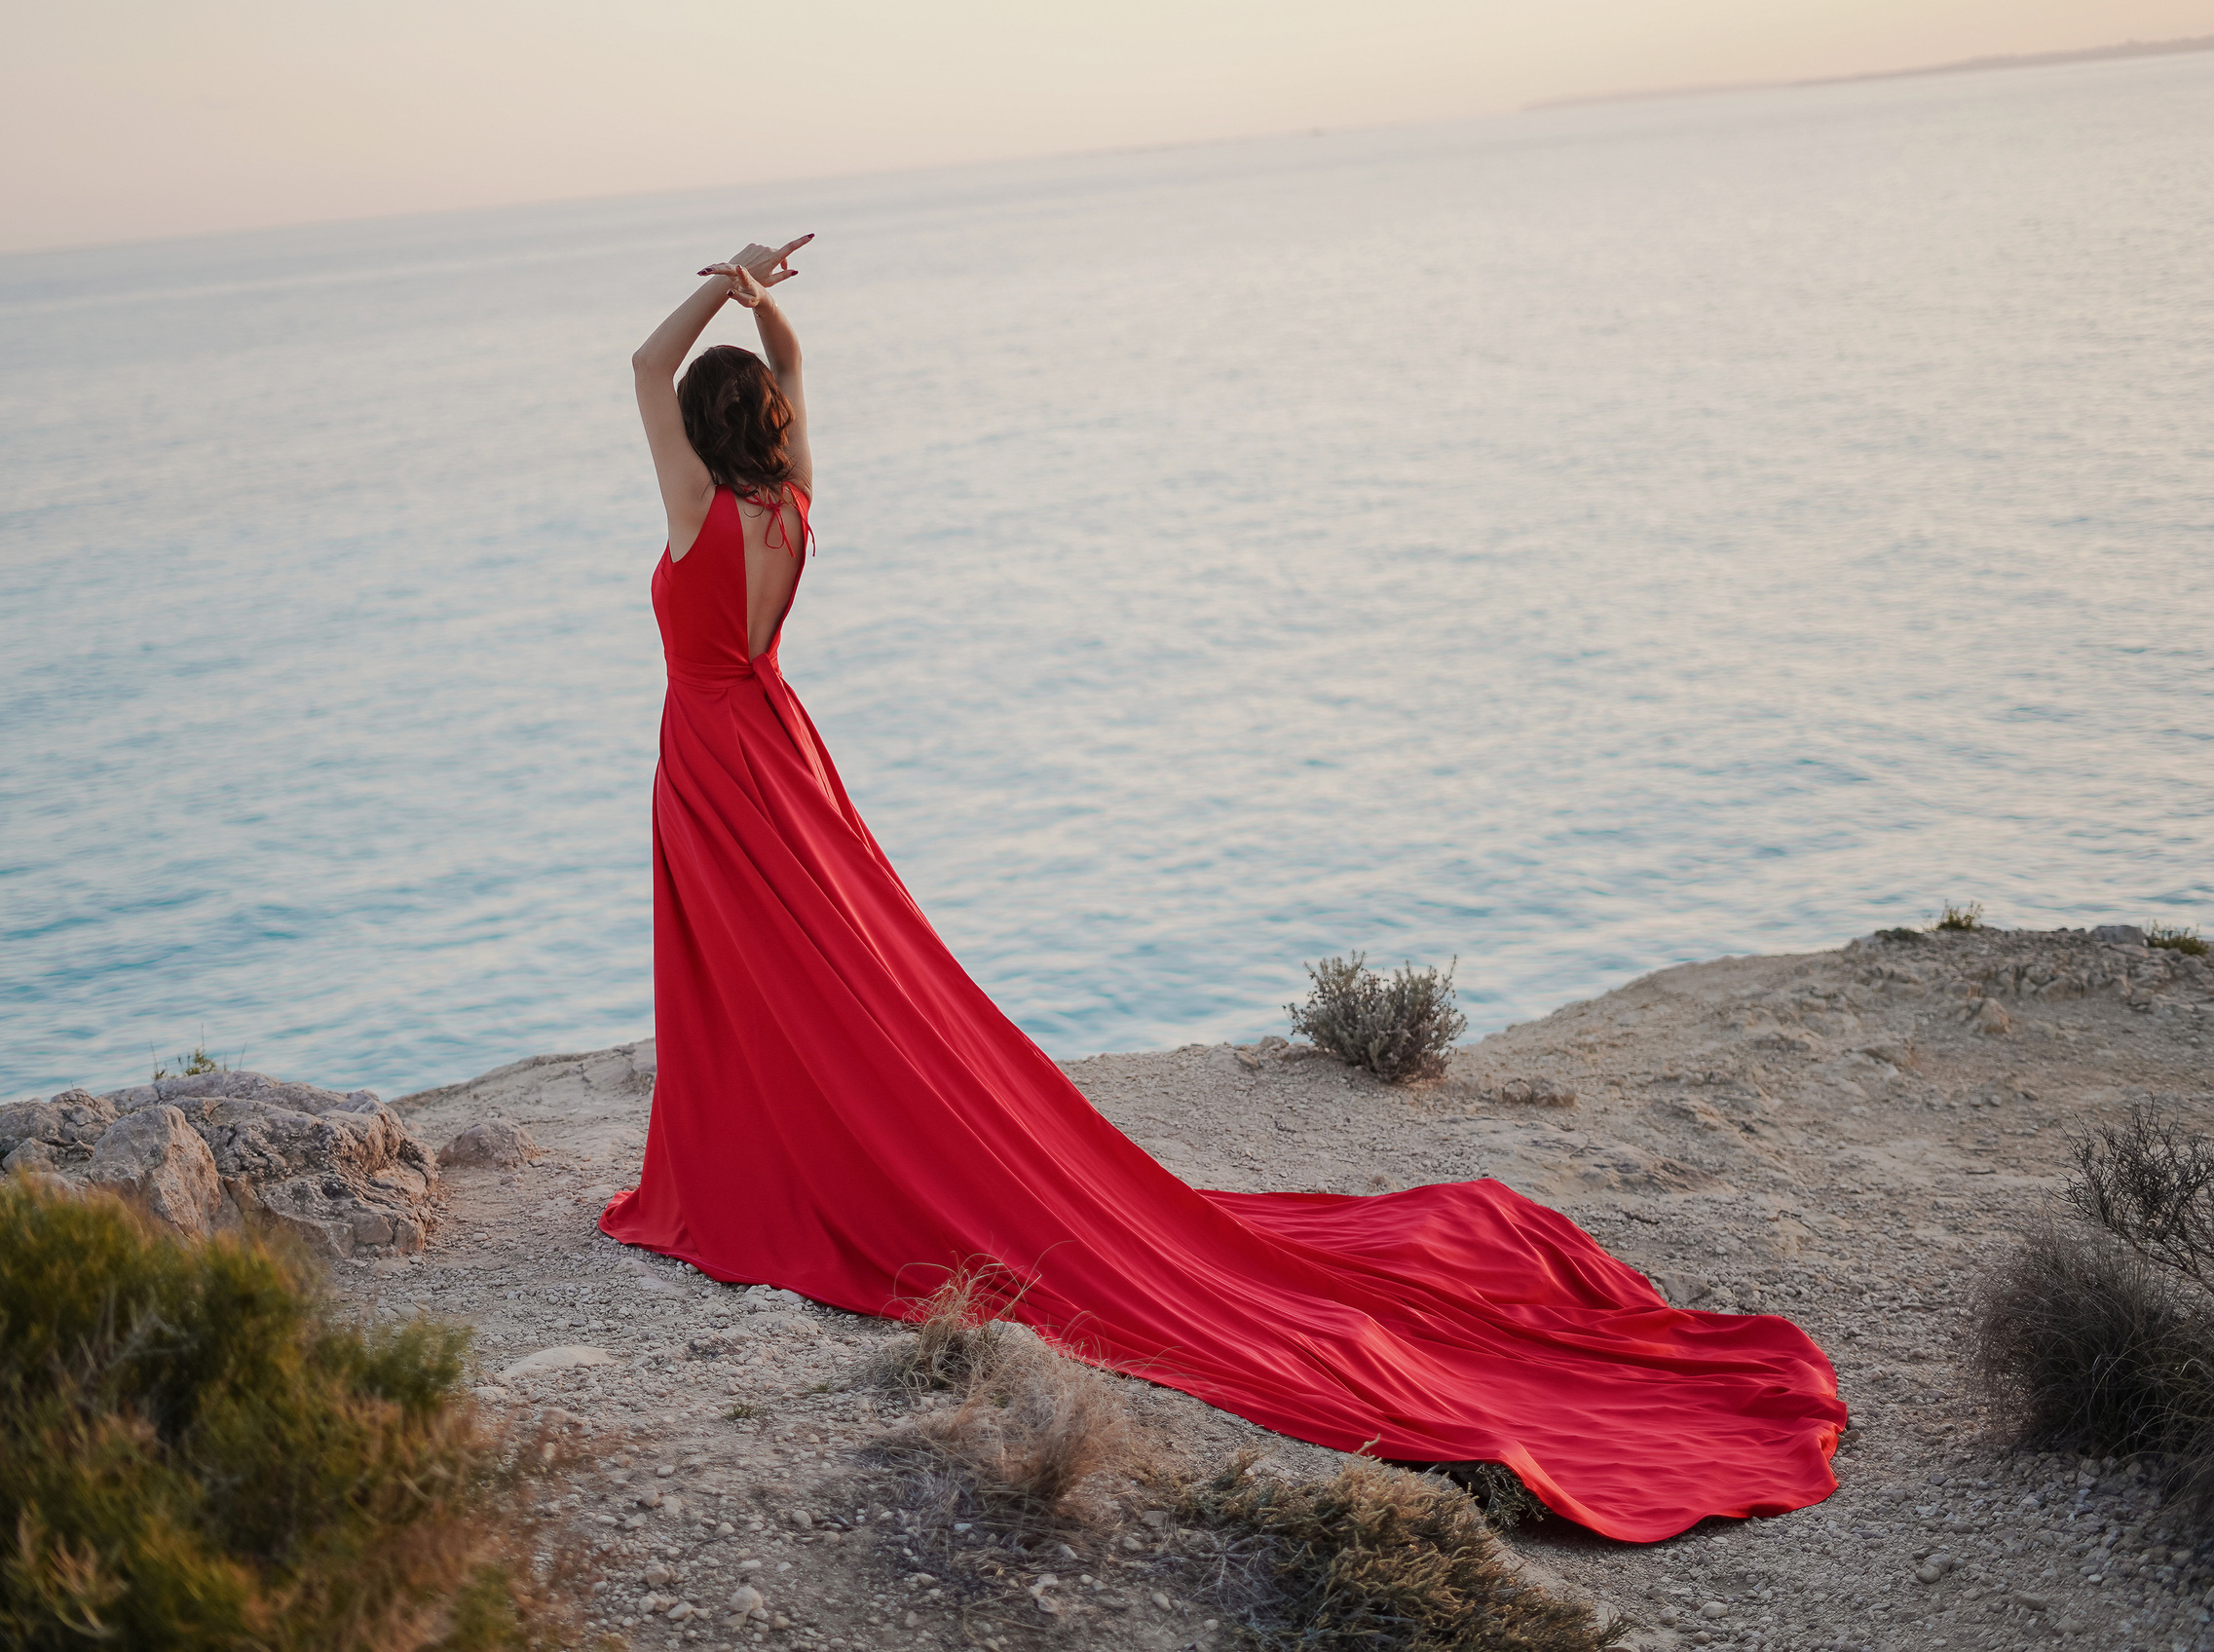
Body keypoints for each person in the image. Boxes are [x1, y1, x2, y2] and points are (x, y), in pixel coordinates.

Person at [603, 235, 1844, 1542]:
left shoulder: (696, 519)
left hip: (712, 757)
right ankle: (790, 1144)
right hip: (781, 753)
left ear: (702, 430)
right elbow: (776, 380)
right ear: (778, 423)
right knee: (833, 975)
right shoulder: (788, 506)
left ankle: (749, 1165)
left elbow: (642, 361)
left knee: (748, 971)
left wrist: (715, 290)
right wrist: (766, 312)